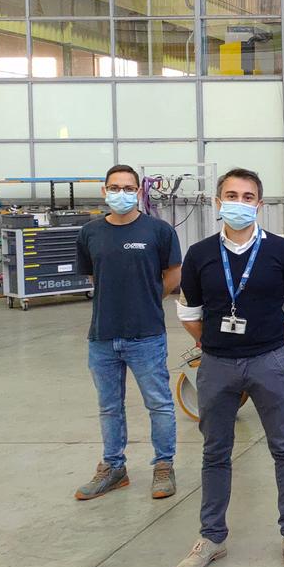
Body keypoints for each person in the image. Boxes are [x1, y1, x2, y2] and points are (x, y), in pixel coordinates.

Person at [172, 169, 284, 567]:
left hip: (269, 361)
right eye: (231, 194)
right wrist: (216, 347)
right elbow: (188, 314)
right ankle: (211, 537)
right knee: (215, 452)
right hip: (216, 364)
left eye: (247, 196)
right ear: (218, 203)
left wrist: (272, 348)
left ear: (259, 205)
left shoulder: (282, 252)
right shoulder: (198, 255)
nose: (239, 201)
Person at [74, 164, 182, 501]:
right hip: (102, 336)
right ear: (105, 191)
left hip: (146, 335)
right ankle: (113, 467)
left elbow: (174, 275)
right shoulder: (89, 233)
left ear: (139, 192)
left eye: (128, 188)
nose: (121, 194)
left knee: (159, 405)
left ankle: (163, 466)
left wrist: (146, 299)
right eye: (115, 188)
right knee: (109, 407)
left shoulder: (159, 231)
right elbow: (94, 278)